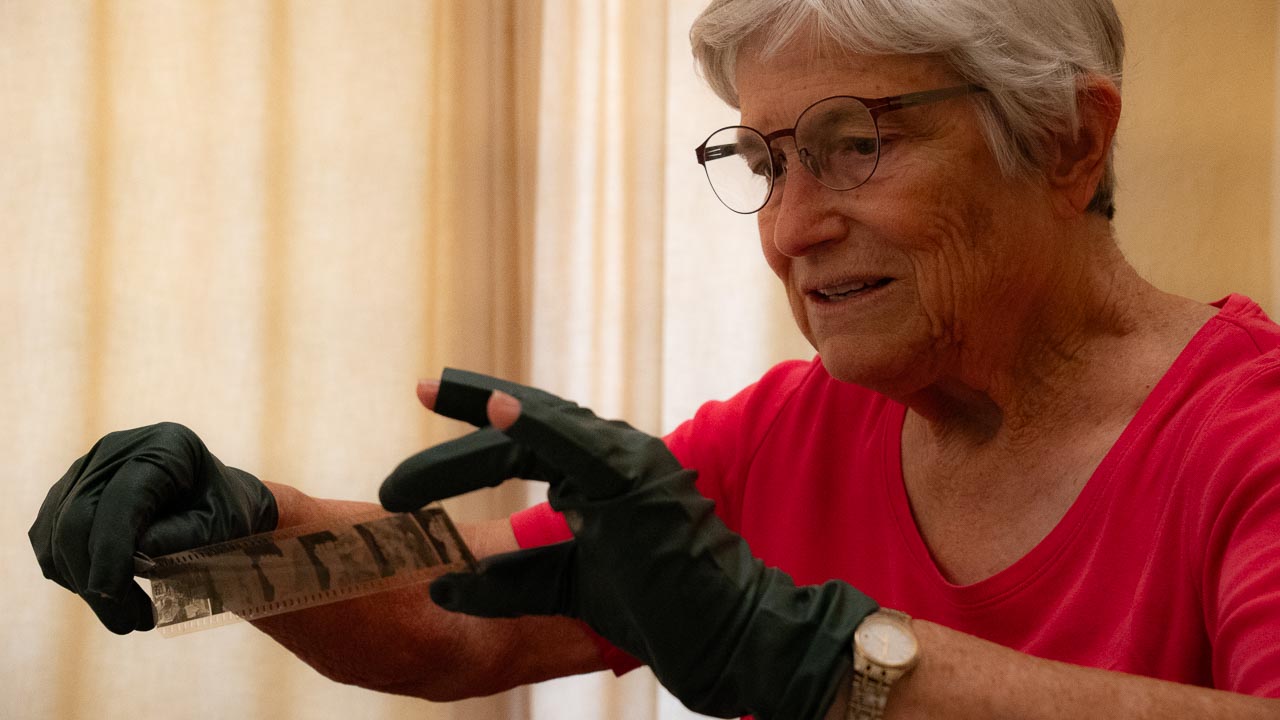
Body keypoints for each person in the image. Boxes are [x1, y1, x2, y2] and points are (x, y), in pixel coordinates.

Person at [28, 0, 1280, 718]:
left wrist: (824, 658)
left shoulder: (1250, 437)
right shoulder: (789, 432)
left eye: (855, 147)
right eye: (766, 162)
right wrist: (232, 539)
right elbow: (461, 620)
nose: (789, 231)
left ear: (1064, 140)